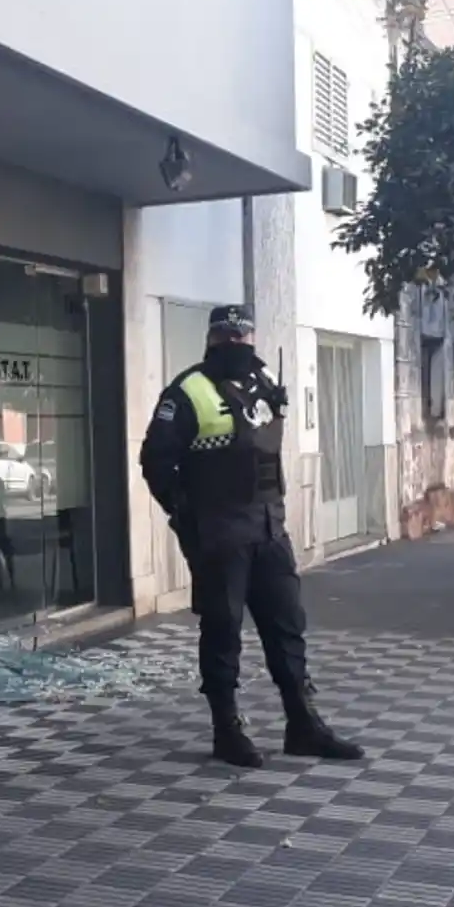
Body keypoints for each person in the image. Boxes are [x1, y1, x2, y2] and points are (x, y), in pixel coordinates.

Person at [140, 305, 363, 768]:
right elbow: (156, 462)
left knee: (287, 629)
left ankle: (303, 724)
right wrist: (186, 516)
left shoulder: (262, 382)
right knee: (223, 632)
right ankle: (227, 730)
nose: (237, 344)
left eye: (244, 337)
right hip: (220, 534)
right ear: (213, 338)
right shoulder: (187, 391)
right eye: (228, 336)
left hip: (268, 529)